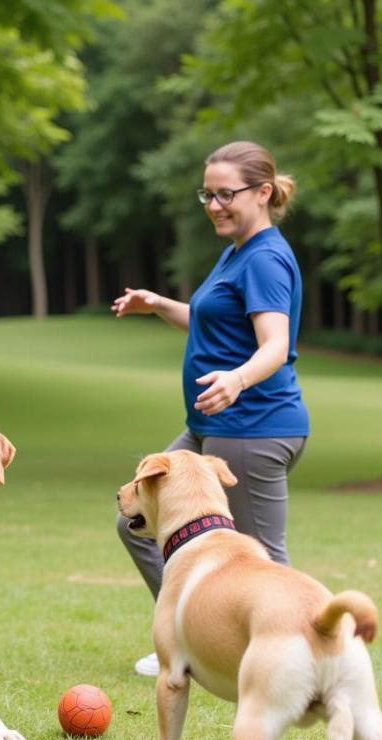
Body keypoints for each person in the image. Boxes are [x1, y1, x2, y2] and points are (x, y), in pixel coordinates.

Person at [112, 141, 309, 677]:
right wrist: (158, 304)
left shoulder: (265, 257)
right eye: (208, 194)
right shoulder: (238, 250)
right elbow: (212, 321)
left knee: (263, 557)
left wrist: (238, 380)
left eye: (226, 194)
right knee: (136, 520)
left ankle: (290, 662)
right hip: (211, 426)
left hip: (253, 428)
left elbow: (274, 343)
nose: (214, 205)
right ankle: (184, 631)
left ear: (263, 192)